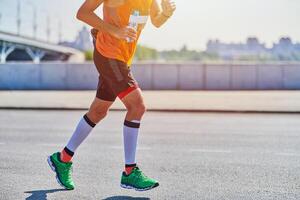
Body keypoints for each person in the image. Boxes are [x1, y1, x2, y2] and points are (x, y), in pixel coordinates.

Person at [47, 0, 176, 191]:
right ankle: (130, 172)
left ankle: (62, 159)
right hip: (108, 53)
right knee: (137, 106)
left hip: (122, 57)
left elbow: (156, 21)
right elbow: (83, 13)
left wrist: (165, 13)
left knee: (98, 111)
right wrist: (114, 31)